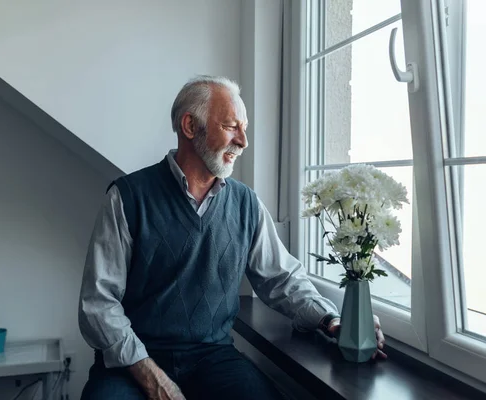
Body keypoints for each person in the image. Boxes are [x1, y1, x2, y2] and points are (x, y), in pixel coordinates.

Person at [78, 76, 386, 400]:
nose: (243, 141)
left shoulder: (246, 204)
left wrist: (330, 318)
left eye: (245, 128)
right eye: (231, 127)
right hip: (133, 362)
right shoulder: (127, 198)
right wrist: (150, 375)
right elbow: (98, 305)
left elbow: (282, 279)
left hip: (213, 359)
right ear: (189, 126)